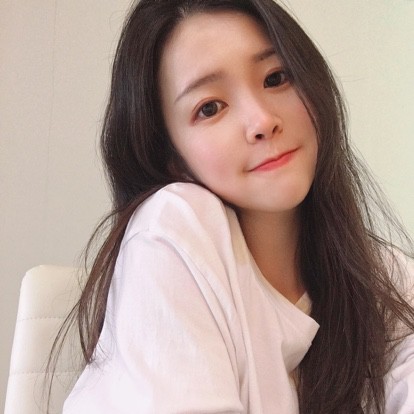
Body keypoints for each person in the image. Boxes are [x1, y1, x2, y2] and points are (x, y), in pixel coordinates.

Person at [50, 0, 414, 412]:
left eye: (276, 78)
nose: (262, 121)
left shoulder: (379, 275)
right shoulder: (172, 225)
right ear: (170, 156)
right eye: (210, 107)